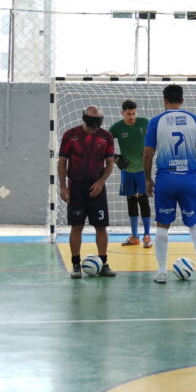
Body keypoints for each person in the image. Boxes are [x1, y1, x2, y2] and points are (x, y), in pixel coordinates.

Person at [145, 84, 196, 284]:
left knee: (162, 227)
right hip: (189, 179)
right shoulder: (194, 120)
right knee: (194, 222)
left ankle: (161, 271)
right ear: (182, 100)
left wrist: (148, 178)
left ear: (164, 100)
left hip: (166, 179)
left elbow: (148, 153)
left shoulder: (156, 121)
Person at [58, 105, 117, 278]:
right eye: (91, 121)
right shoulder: (70, 135)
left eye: (97, 121)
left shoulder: (106, 137)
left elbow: (110, 163)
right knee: (77, 226)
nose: (94, 125)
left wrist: (100, 182)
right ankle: (76, 264)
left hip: (97, 188)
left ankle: (104, 263)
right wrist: (63, 186)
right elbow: (62, 162)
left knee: (101, 226)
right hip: (76, 187)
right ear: (84, 118)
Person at [109, 100, 152, 248]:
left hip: (142, 170)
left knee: (144, 199)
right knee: (131, 201)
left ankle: (147, 235)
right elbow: (104, 143)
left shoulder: (144, 122)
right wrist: (115, 157)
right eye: (128, 114)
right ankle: (135, 236)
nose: (132, 117)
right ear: (122, 113)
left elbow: (156, 135)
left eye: (134, 113)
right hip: (127, 171)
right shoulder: (116, 128)